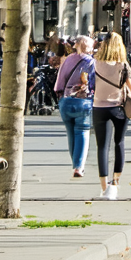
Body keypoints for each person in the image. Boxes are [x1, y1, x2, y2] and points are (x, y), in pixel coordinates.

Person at [92, 35, 131, 200]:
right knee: (119, 142)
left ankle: (104, 187)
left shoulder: (95, 64)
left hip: (99, 107)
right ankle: (115, 184)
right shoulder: (122, 65)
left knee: (102, 147)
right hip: (118, 107)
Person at [53, 36, 97, 178]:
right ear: (89, 47)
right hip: (83, 102)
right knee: (82, 131)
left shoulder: (68, 60)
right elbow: (94, 84)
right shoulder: (92, 62)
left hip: (66, 101)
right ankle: (78, 167)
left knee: (70, 133)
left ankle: (76, 164)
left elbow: (60, 81)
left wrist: (61, 96)